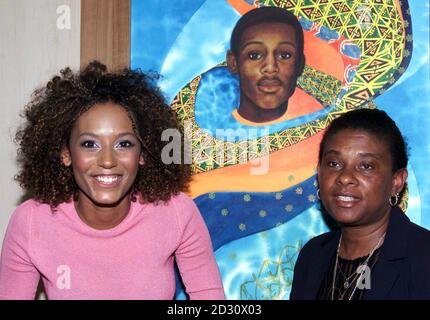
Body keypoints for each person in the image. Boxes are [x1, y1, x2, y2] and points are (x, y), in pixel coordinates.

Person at [0, 61, 225, 300]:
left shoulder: (177, 213)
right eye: (89, 144)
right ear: (66, 153)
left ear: (143, 154)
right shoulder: (31, 222)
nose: (107, 160)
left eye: (124, 144)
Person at [290, 108, 430, 300]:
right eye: (334, 163)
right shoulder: (313, 255)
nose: (345, 178)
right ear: (319, 173)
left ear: (396, 182)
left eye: (366, 166)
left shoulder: (423, 258)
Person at [226, 6, 305, 123]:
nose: (270, 67)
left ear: (300, 64)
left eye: (285, 55)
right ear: (233, 62)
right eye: (254, 55)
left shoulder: (315, 123)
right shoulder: (200, 125)